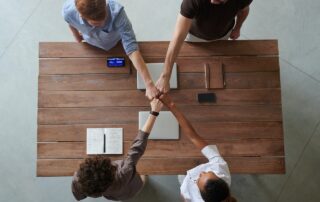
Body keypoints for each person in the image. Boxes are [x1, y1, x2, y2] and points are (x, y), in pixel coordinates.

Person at [62, 0, 159, 99]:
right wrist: (77, 38)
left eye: (104, 18)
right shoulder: (68, 12)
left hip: (115, 42)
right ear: (82, 16)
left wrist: (149, 84)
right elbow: (69, 21)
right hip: (92, 45)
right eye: (97, 23)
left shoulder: (117, 12)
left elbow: (132, 48)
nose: (103, 23)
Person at [71, 99, 163, 201]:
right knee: (141, 180)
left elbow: (78, 196)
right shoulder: (123, 173)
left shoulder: (79, 179)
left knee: (128, 191)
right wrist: (154, 112)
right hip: (129, 188)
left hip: (119, 195)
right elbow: (137, 146)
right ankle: (144, 180)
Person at [156, 0, 253, 93]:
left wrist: (237, 28)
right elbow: (178, 37)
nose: (212, 1)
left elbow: (244, 10)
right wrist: (165, 76)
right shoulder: (191, 1)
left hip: (223, 34)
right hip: (194, 36)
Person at [160, 94, 236, 202]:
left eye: (199, 179)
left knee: (183, 185)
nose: (202, 173)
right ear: (220, 177)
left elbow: (185, 198)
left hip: (186, 186)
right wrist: (171, 105)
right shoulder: (220, 167)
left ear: (200, 195)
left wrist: (184, 195)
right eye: (210, 172)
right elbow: (193, 136)